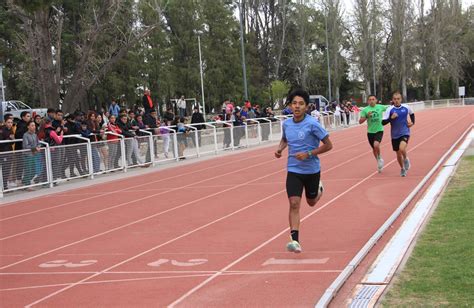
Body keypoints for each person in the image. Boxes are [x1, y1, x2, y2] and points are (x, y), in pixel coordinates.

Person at [274, 89, 333, 253]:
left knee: (311, 202)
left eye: (301, 104)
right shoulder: (286, 124)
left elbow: (329, 145)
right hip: (293, 170)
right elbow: (285, 139)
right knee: (294, 203)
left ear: (307, 106)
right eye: (294, 103)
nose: (297, 106)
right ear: (290, 106)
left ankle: (319, 189)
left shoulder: (313, 124)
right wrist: (279, 149)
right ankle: (295, 241)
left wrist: (309, 153)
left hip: (312, 170)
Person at [382, 91, 415, 177]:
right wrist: (391, 118)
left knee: (402, 148)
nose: (396, 100)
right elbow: (383, 122)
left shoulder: (406, 107)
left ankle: (406, 159)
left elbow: (412, 113)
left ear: (401, 99)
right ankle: (402, 168)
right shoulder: (390, 109)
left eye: (398, 99)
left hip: (405, 132)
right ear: (392, 100)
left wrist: (412, 122)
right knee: (398, 154)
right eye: (395, 99)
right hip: (394, 135)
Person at [359, 95, 388, 172]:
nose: (371, 101)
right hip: (370, 132)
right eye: (370, 99)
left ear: (376, 100)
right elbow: (360, 121)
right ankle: (379, 160)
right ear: (368, 101)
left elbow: (390, 108)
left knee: (376, 145)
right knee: (374, 149)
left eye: (373, 99)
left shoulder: (380, 107)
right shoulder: (365, 110)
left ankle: (379, 158)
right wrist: (367, 116)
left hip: (379, 130)